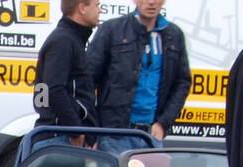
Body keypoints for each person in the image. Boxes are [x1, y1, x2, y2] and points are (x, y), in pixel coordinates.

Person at [86, 0, 190, 152]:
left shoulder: (174, 35)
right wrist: (92, 132)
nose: (151, 2)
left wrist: (163, 123)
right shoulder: (112, 30)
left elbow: (183, 82)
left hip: (151, 137)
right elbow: (87, 80)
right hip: (113, 135)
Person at [32, 0, 99, 147]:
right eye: (97, 5)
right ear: (82, 8)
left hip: (62, 136)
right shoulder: (63, 41)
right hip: (60, 138)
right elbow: (53, 89)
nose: (100, 11)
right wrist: (75, 130)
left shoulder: (72, 39)